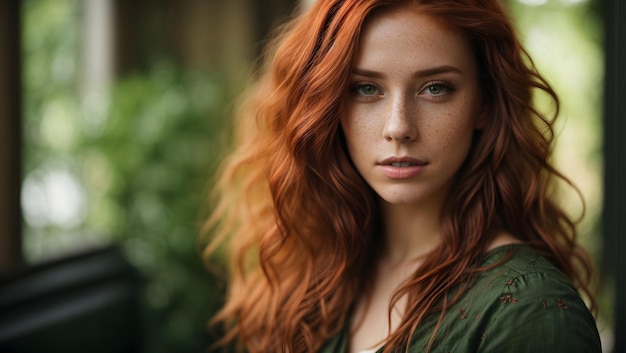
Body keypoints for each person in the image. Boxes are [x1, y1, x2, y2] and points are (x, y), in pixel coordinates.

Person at [202, 0, 602, 352]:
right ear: (328, 105)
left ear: (485, 102)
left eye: (435, 88)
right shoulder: (316, 274)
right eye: (365, 89)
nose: (398, 127)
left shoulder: (529, 311)